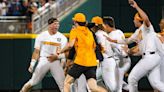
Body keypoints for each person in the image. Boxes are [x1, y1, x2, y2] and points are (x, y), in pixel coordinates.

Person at [58, 13, 107, 92]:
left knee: (66, 83)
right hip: (92, 63)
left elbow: (70, 45)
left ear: (76, 22)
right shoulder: (89, 32)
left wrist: (60, 51)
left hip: (81, 62)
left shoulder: (75, 31)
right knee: (93, 87)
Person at [20, 18, 67, 92]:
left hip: (56, 60)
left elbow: (64, 53)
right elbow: (36, 51)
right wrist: (32, 64)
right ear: (49, 25)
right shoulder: (41, 36)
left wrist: (62, 63)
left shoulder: (62, 38)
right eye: (55, 24)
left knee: (63, 85)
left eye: (58, 24)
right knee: (33, 82)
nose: (57, 26)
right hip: (44, 59)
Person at [126, 0, 164, 91]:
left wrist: (136, 7)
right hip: (154, 57)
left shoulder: (147, 28)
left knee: (131, 79)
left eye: (134, 18)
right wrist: (128, 50)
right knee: (156, 83)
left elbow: (146, 19)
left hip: (153, 57)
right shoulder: (139, 33)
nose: (133, 20)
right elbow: (136, 48)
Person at [103, 16, 131, 92]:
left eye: (103, 26)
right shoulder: (119, 31)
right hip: (126, 60)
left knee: (116, 86)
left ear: (107, 25)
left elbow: (119, 50)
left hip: (121, 61)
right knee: (118, 81)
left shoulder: (111, 35)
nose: (103, 28)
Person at [91, 16, 118, 92]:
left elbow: (103, 48)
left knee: (111, 86)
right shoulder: (103, 33)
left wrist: (96, 60)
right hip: (107, 60)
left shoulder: (99, 35)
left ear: (95, 25)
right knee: (95, 80)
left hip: (107, 61)